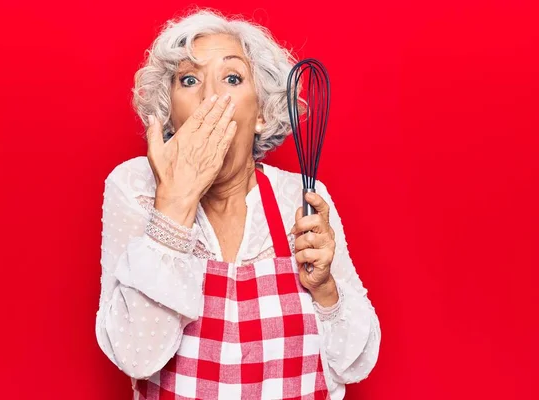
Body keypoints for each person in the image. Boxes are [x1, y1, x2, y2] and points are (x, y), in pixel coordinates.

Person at [96, 9, 380, 399]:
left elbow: (355, 363)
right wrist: (174, 206)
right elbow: (136, 357)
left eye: (231, 78)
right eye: (189, 79)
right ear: (170, 115)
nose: (210, 96)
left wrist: (326, 291)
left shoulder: (298, 200)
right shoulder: (135, 188)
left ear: (260, 113)